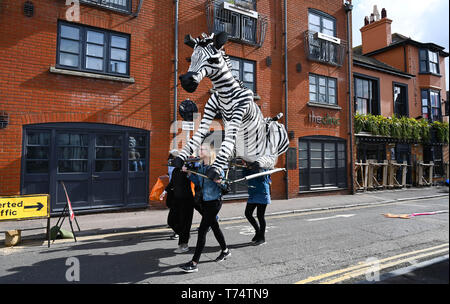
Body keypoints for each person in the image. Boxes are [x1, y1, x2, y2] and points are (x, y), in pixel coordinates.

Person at [180, 144, 230, 273]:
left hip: (215, 202)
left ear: (209, 152)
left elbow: (225, 185)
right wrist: (189, 173)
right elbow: (198, 182)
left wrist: (220, 182)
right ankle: (225, 250)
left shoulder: (216, 168)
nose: (199, 151)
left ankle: (194, 262)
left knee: (202, 230)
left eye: (202, 149)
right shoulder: (202, 167)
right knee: (215, 227)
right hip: (206, 202)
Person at [161, 150, 195, 252]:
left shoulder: (187, 170)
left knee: (185, 222)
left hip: (187, 200)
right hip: (177, 198)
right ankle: (184, 235)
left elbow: (196, 179)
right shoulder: (176, 171)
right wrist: (165, 191)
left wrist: (189, 172)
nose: (172, 161)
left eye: (174, 159)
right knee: (171, 221)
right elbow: (172, 183)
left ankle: (184, 245)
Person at [243, 164, 272, 246]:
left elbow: (264, 177)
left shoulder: (264, 165)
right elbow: (245, 176)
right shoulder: (250, 164)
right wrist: (247, 168)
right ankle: (257, 231)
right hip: (252, 192)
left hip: (262, 192)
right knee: (248, 213)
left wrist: (258, 168)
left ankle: (262, 238)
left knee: (260, 216)